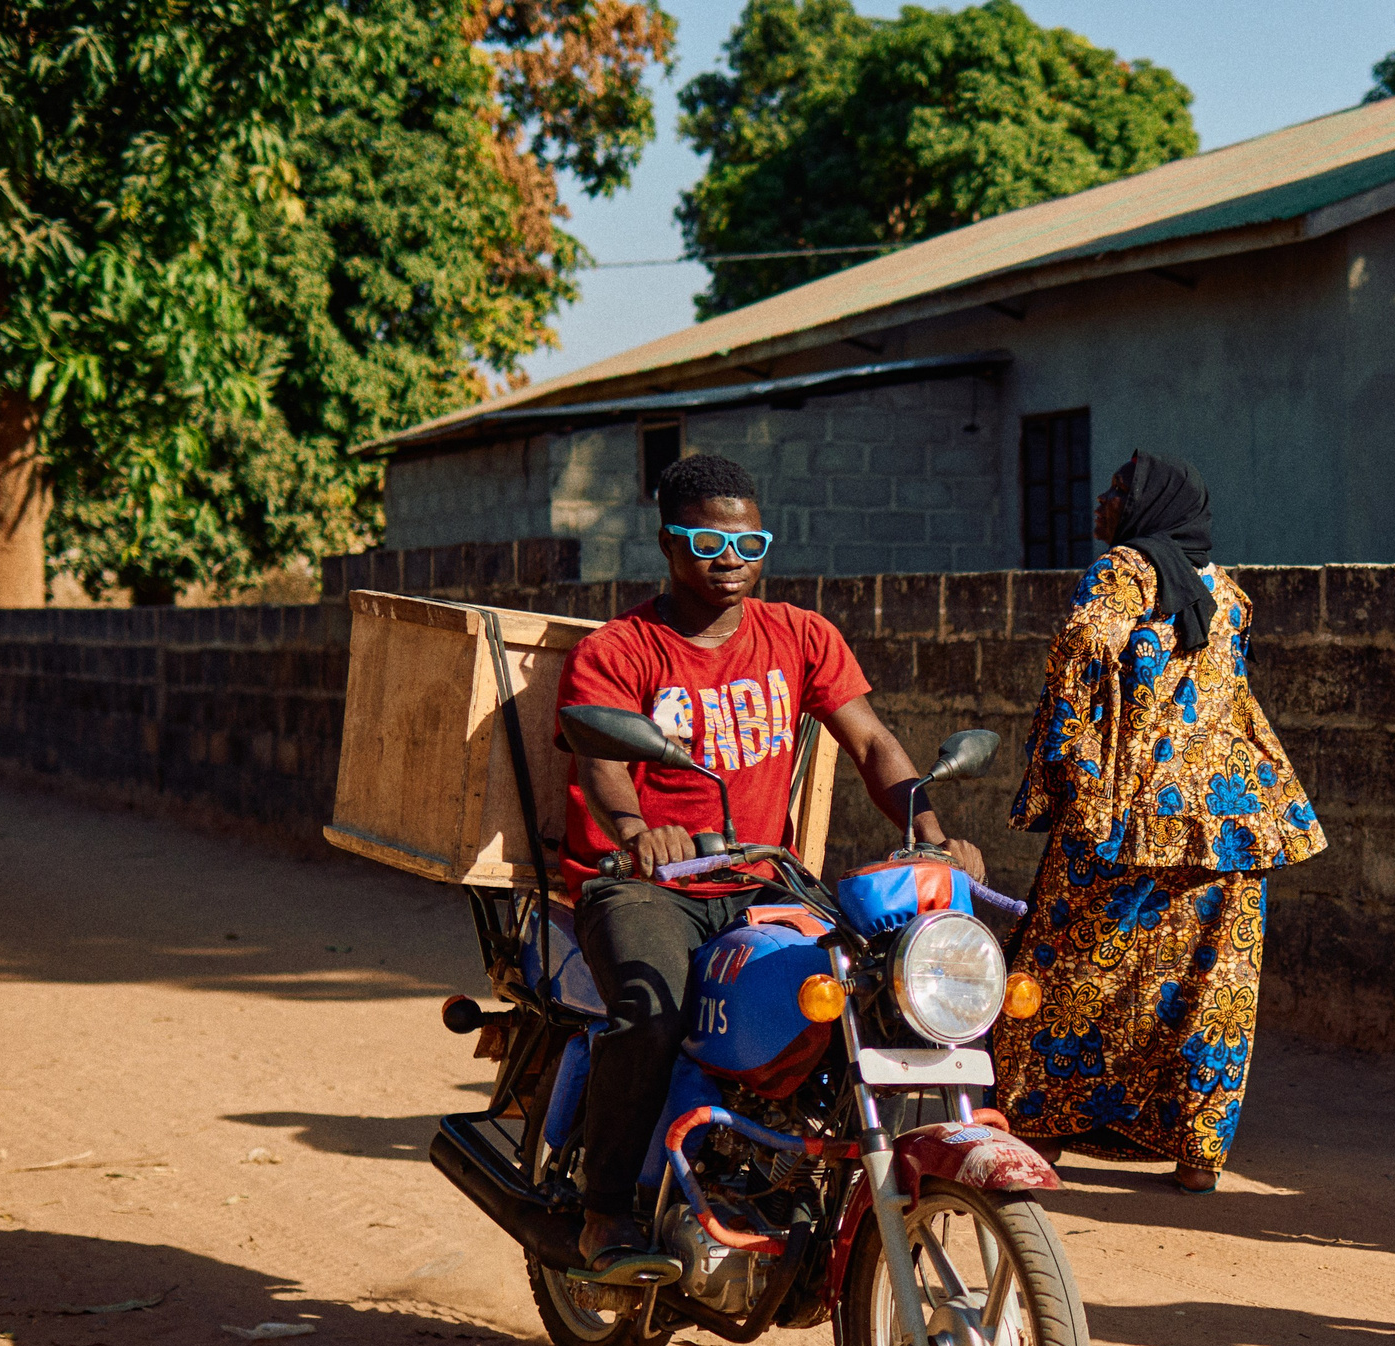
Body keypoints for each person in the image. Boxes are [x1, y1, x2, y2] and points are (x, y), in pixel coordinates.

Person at [558, 453, 985, 1269]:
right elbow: (602, 762)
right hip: (648, 885)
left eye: (749, 543)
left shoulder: (799, 634)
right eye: (707, 543)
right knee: (652, 1012)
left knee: (875, 984)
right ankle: (604, 1207)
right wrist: (638, 830)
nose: (731, 560)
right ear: (667, 544)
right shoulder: (620, 649)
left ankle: (789, 1172)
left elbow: (871, 742)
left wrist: (929, 831)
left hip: (762, 876)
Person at [991, 452, 1325, 1193]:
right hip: (1231, 823)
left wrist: (1068, 774)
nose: (1102, 501)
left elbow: (1080, 648)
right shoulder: (1227, 592)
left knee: (1059, 969)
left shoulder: (1122, 572)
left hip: (1128, 818)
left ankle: (1034, 1128)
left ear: (1150, 507)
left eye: (1118, 490)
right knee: (1211, 988)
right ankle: (1198, 1152)